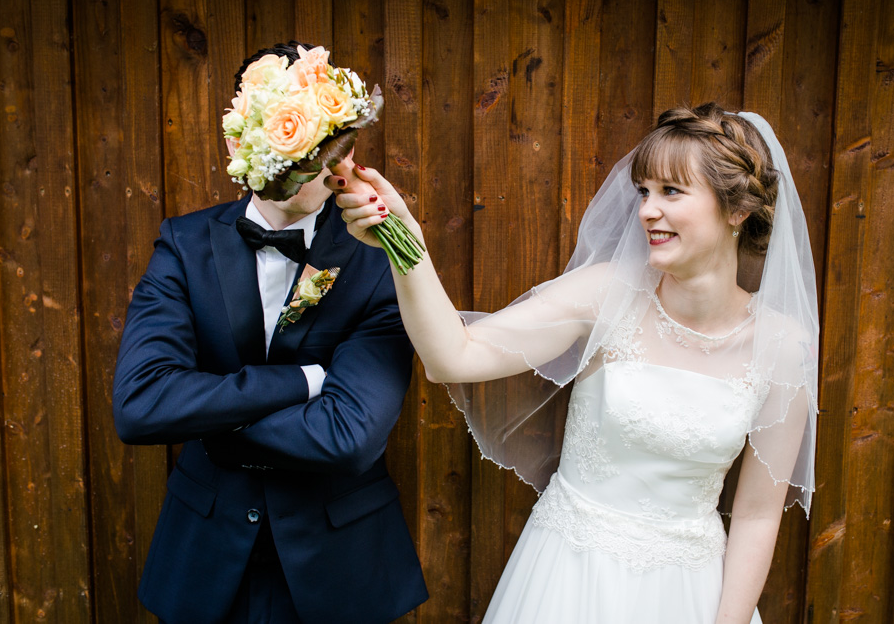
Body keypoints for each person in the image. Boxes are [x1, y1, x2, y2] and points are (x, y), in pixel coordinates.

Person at [335, 103, 819, 623]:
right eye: (644, 191)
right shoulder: (608, 294)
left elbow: (756, 513)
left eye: (671, 192)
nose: (647, 210)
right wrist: (401, 238)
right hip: (568, 579)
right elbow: (454, 355)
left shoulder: (781, 346)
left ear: (737, 210)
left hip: (689, 594)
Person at [112, 42, 427, 624]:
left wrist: (212, 419)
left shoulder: (379, 258)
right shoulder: (183, 245)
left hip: (341, 565)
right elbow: (140, 406)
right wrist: (305, 381)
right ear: (240, 140)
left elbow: (348, 435)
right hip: (204, 560)